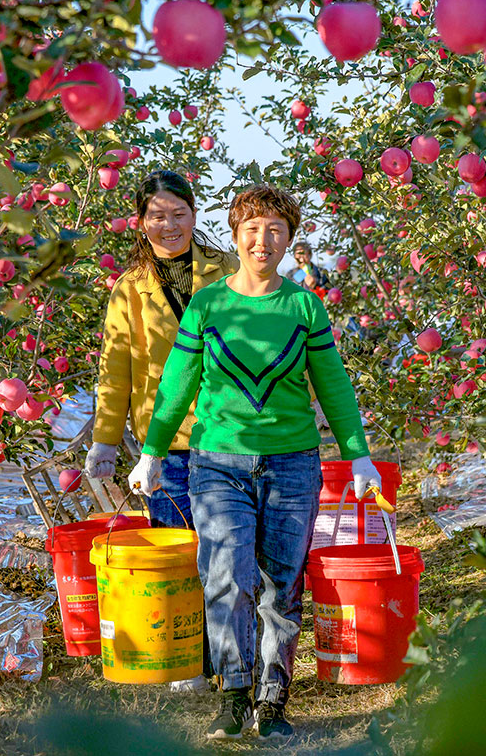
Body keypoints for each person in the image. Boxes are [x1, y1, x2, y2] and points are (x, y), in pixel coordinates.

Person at [127, 184, 382, 741]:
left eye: (275, 230)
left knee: (281, 584)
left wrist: (358, 456)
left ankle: (273, 699)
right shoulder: (209, 305)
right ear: (236, 235)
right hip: (218, 462)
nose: (262, 240)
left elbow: (332, 386)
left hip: (292, 464)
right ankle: (234, 692)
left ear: (289, 240)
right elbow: (176, 386)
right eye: (252, 229)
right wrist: (151, 451)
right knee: (223, 575)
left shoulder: (304, 305)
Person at [85, 170, 236, 690]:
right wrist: (106, 437)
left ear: (194, 215)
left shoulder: (229, 271)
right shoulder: (129, 289)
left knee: (228, 551)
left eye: (179, 214)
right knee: (178, 550)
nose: (168, 225)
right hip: (165, 441)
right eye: (157, 215)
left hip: (228, 434)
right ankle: (187, 658)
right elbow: (117, 365)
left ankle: (229, 659)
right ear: (140, 221)